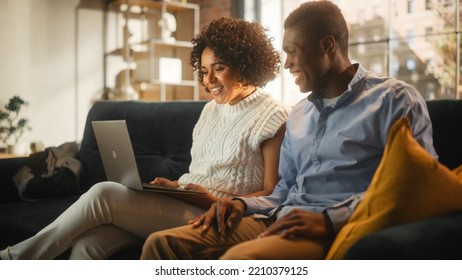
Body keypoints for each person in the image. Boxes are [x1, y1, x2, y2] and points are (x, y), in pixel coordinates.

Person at [140, 1, 437, 260]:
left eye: (293, 52)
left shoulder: (393, 99)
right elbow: (283, 191)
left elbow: (416, 182)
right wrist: (239, 204)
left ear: (327, 47)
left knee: (241, 261)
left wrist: (329, 220)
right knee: (161, 244)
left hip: (336, 228)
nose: (286, 63)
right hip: (278, 219)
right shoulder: (299, 114)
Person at [0, 17, 289, 260]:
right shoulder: (210, 112)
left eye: (219, 68)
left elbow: (271, 192)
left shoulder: (271, 115)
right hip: (189, 202)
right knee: (91, 242)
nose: (208, 80)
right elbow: (203, 173)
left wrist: (213, 199)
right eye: (203, 71)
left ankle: (12, 260)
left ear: (245, 64)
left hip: (219, 215)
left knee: (103, 194)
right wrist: (173, 186)